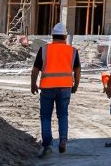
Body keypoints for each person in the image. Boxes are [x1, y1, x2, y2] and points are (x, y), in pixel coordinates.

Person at [31, 22, 80, 157]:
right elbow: (77, 69)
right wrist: (76, 85)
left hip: (47, 87)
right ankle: (63, 140)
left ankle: (47, 145)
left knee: (46, 116)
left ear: (52, 36)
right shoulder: (72, 51)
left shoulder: (45, 49)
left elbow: (35, 69)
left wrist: (33, 84)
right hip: (65, 87)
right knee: (63, 115)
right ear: (65, 36)